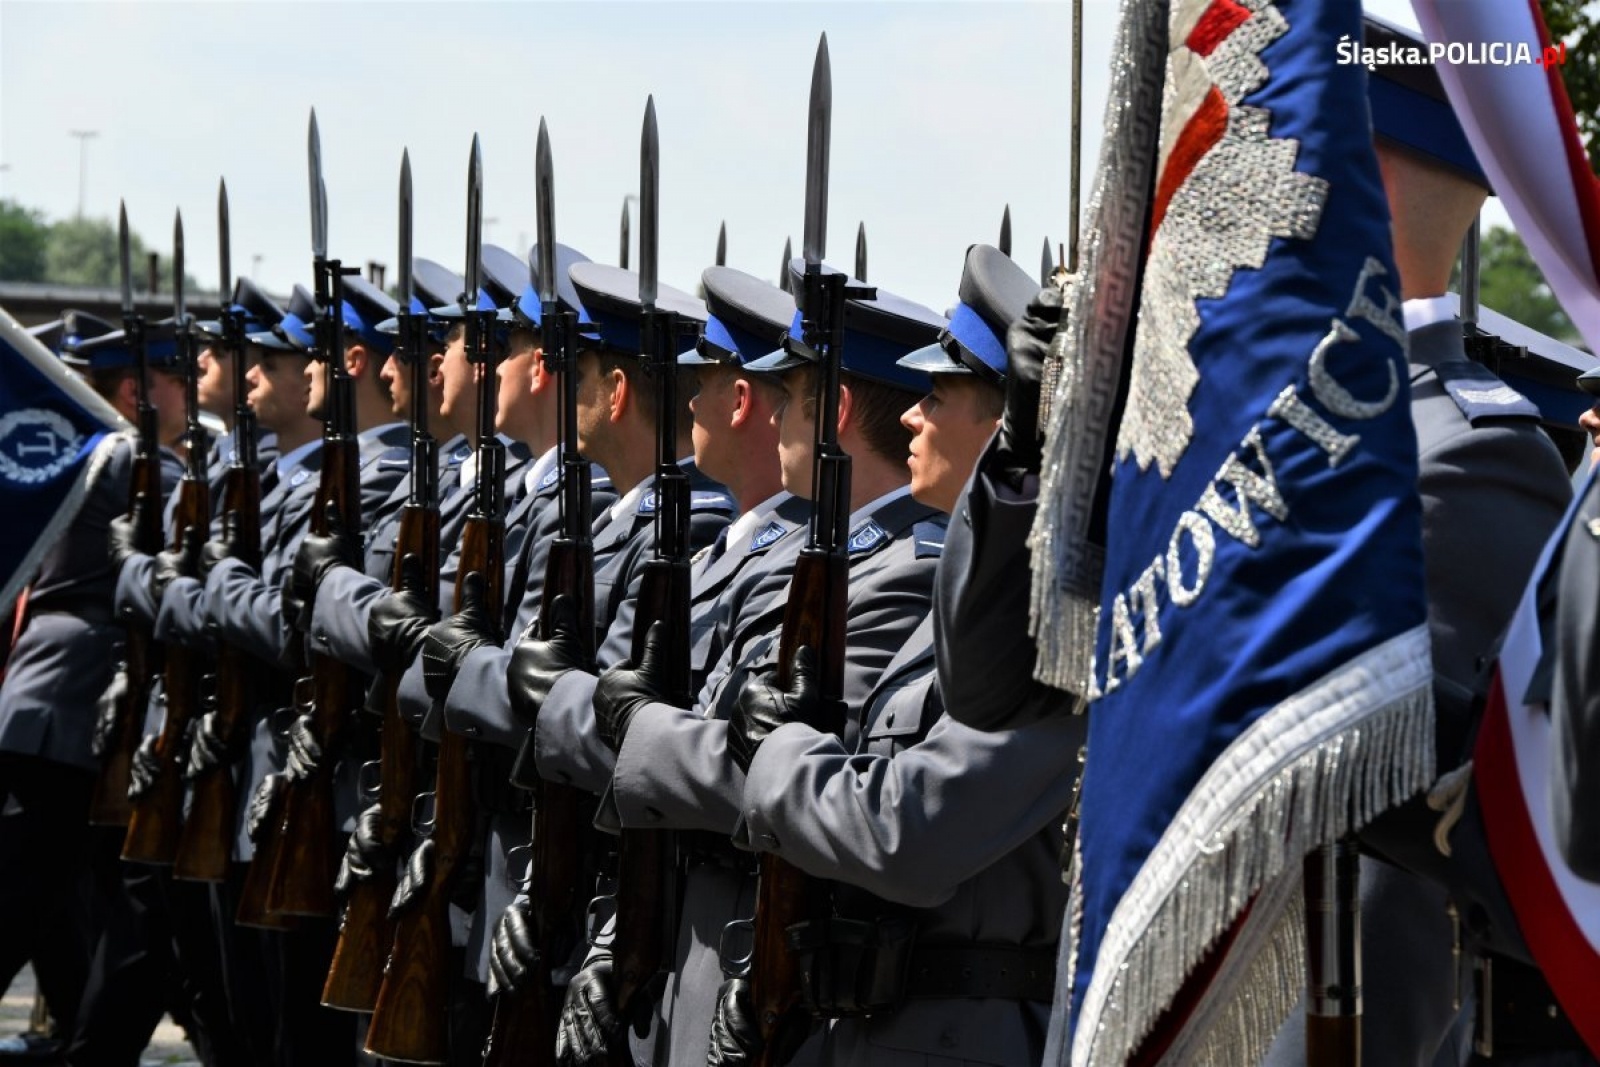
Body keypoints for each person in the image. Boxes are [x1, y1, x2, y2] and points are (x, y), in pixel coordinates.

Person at [528, 260, 948, 1066]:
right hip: (696, 945)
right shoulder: (807, 563)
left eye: (789, 398)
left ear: (837, 409)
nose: (778, 417)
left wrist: (637, 728)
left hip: (762, 967)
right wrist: (617, 937)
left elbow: (795, 781)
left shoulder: (904, 572)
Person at [1262, 17, 1576, 1067]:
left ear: (1359, 186)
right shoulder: (1261, 450)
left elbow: (1506, 827)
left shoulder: (1466, 450)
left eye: (1283, 165)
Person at [709, 243, 1080, 1067]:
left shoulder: (1048, 628)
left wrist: (780, 754)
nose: (913, 413)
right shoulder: (960, 604)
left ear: (1005, 424)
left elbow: (910, 833)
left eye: (940, 393)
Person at [0, 313, 182, 1064]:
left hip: (47, 702)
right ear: (139, 390)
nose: (191, 390)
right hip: (73, 708)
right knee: (24, 899)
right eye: (177, 377)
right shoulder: (135, 463)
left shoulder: (85, 457)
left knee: (73, 906)